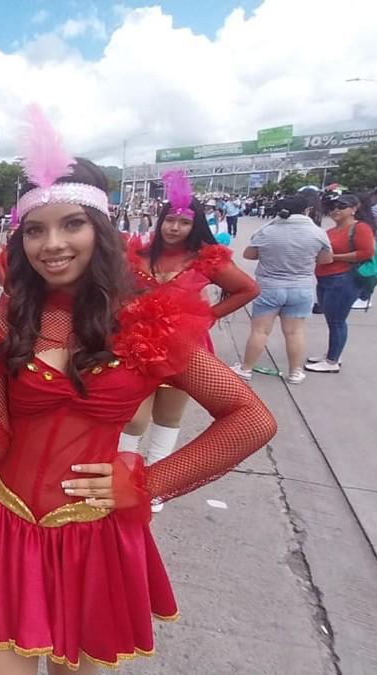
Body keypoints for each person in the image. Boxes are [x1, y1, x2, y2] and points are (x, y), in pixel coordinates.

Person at [0, 108, 276, 674]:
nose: (52, 244)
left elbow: (251, 419)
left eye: (72, 225)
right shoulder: (7, 320)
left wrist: (147, 482)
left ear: (101, 230)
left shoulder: (148, 320)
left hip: (93, 542)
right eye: (35, 230)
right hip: (7, 526)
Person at [120, 171, 259, 500]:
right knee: (132, 420)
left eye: (184, 222)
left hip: (186, 350)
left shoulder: (207, 260)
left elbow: (247, 289)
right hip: (136, 348)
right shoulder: (137, 256)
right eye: (170, 220)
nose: (174, 228)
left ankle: (154, 489)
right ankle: (120, 479)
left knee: (168, 418)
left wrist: (207, 317)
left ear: (195, 225)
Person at [232, 195, 333, 385]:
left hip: (269, 287)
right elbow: (326, 259)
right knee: (295, 332)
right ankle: (295, 372)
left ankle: (246, 368)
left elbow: (249, 254)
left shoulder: (267, 231)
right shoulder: (317, 233)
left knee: (260, 331)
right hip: (300, 288)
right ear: (306, 210)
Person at [305, 194, 375, 374]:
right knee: (331, 320)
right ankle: (332, 353)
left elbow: (366, 253)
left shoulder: (360, 228)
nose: (336, 209)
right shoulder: (330, 232)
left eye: (342, 206)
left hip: (343, 279)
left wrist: (334, 257)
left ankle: (332, 361)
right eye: (333, 206)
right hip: (325, 278)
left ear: (354, 208)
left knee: (337, 321)